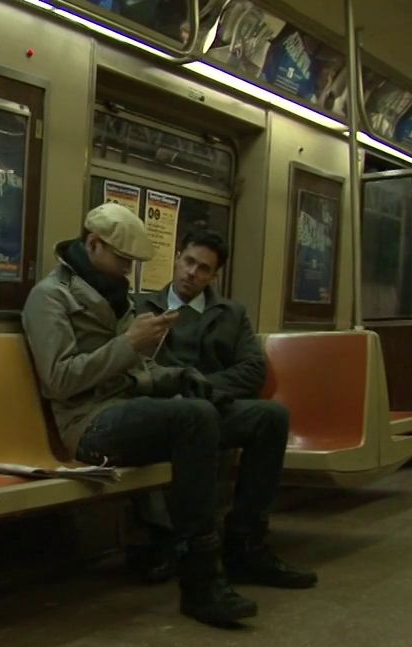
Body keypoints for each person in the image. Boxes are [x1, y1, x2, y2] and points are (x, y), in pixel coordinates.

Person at [22, 203, 258, 627]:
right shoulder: (49, 298)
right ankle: (201, 579)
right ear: (93, 244)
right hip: (85, 425)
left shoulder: (115, 298)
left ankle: (213, 553)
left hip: (123, 410)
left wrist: (180, 377)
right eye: (123, 260)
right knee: (194, 419)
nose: (128, 272)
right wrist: (129, 344)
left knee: (209, 411)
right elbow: (58, 380)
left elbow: (136, 374)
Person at [131, 228, 317, 591]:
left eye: (203, 269)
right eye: (188, 262)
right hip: (164, 410)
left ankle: (246, 541)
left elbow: (252, 370)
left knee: (272, 418)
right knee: (174, 420)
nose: (191, 273)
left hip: (213, 407)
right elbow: (137, 365)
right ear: (176, 257)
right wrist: (179, 391)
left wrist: (200, 388)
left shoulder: (231, 314)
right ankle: (161, 540)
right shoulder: (143, 308)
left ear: (214, 276)